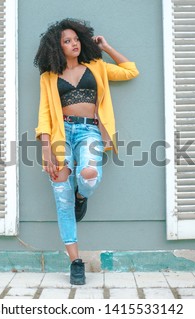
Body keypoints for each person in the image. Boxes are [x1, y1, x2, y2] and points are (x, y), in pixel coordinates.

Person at [34, 18, 139, 285]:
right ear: (57, 48)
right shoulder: (48, 78)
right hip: (61, 134)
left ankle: (82, 193)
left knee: (89, 174)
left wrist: (106, 47)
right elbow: (45, 115)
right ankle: (75, 262)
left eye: (76, 39)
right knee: (60, 193)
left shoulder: (97, 67)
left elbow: (130, 71)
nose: (74, 44)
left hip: (89, 131)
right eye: (67, 41)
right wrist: (46, 149)